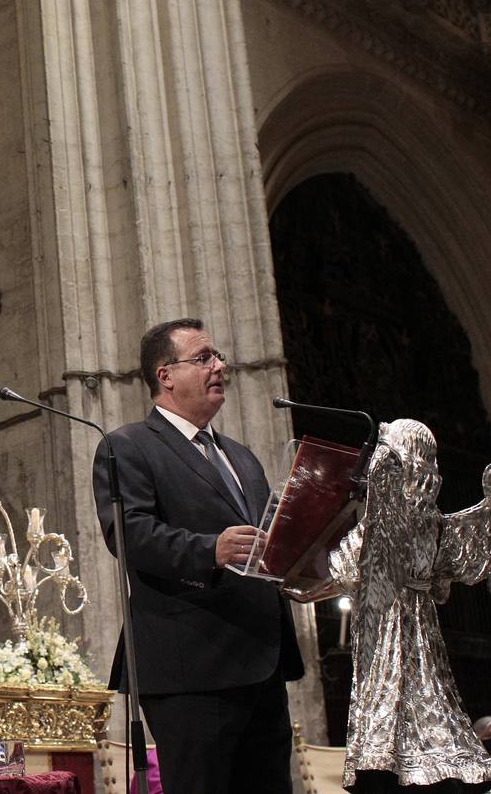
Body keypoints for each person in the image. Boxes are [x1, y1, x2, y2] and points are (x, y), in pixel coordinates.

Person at [92, 318, 304, 794]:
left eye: (219, 356)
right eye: (204, 357)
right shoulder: (127, 447)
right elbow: (129, 534)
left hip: (261, 663)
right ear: (165, 375)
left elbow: (264, 537)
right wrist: (211, 549)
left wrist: (296, 565)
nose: (220, 366)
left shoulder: (241, 456)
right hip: (192, 668)